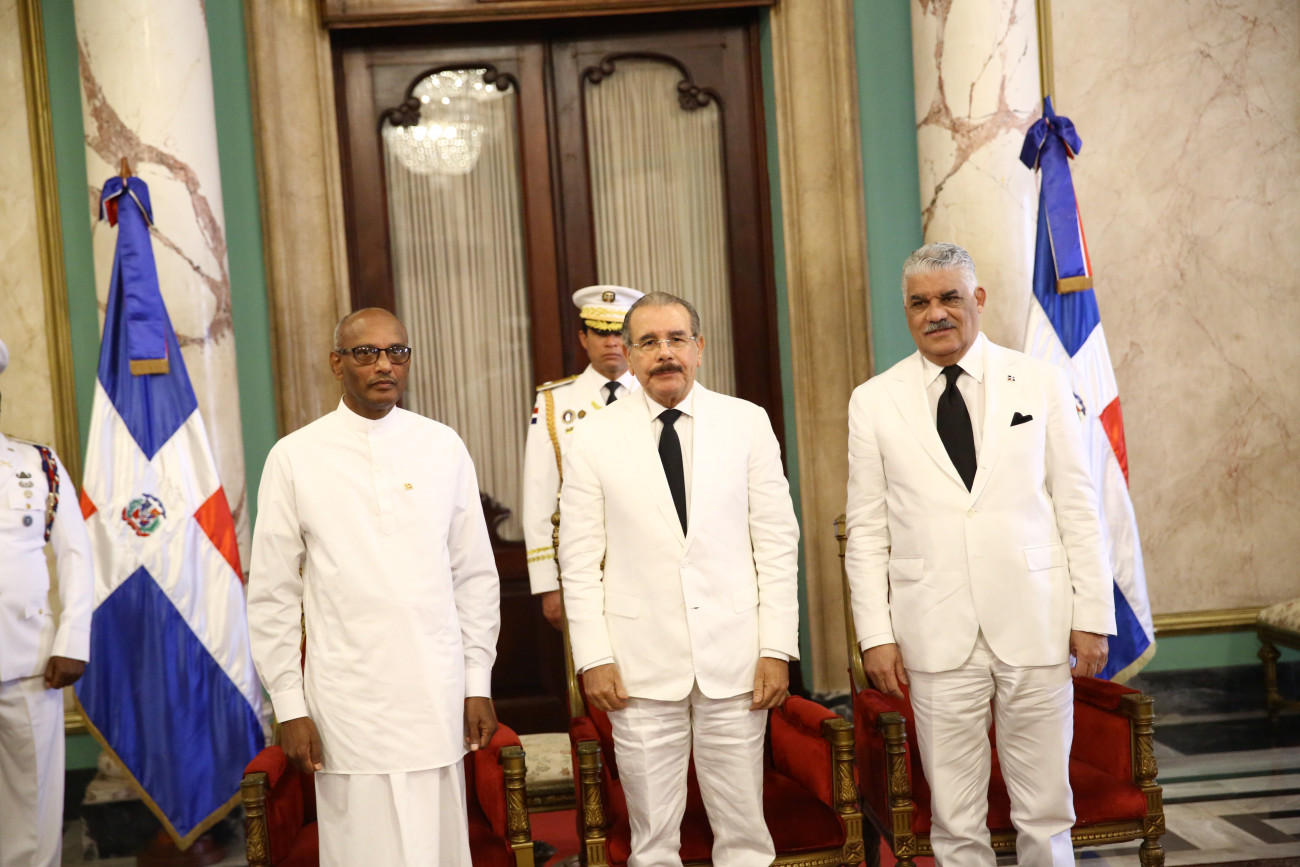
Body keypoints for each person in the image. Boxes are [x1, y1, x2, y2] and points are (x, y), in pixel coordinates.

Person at [844, 242, 1115, 867]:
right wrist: (875, 636)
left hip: (1037, 620)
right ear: (906, 312)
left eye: (949, 297)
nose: (936, 313)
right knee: (954, 815)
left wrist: (1092, 615)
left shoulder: (1040, 381)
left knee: (1046, 807)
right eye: (920, 303)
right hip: (934, 631)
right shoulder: (874, 400)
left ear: (979, 299)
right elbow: (867, 530)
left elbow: (1078, 505)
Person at [247, 308, 500, 867]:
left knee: (438, 845)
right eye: (366, 353)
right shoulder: (295, 456)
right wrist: (288, 705)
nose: (385, 365)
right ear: (337, 363)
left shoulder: (442, 446)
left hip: (434, 689)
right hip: (347, 701)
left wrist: (476, 682)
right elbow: (272, 594)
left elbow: (475, 577)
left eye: (397, 352)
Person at [559, 292, 799, 867]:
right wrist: (593, 657)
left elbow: (776, 543)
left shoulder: (747, 423)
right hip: (636, 666)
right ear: (629, 355)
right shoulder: (592, 436)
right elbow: (579, 560)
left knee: (745, 834)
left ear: (699, 347)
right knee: (652, 842)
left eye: (676, 339)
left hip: (737, 659)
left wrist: (776, 649)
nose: (664, 353)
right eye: (648, 342)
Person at [0, 336, 95, 867]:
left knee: (33, 811)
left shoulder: (38, 464)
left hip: (30, 661)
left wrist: (72, 640)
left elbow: (76, 555)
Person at [523, 285, 642, 629]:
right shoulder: (554, 402)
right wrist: (548, 583)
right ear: (583, 338)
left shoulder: (657, 395)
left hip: (648, 558)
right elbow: (539, 494)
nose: (611, 342)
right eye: (601, 332)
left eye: (619, 333)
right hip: (582, 565)